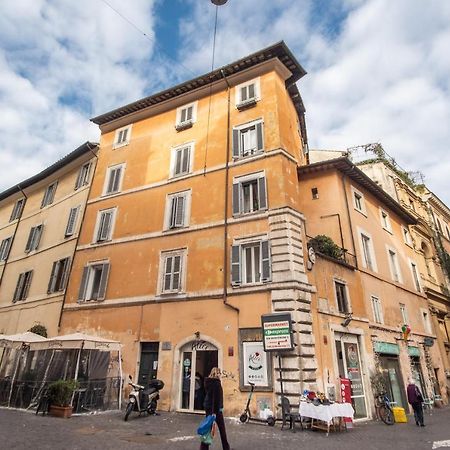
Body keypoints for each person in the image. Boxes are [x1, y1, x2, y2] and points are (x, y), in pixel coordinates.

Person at [200, 367, 231, 450]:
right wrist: (214, 412)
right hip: (216, 410)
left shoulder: (208, 382)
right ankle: (226, 447)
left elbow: (209, 396)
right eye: (219, 373)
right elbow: (215, 398)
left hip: (209, 407)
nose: (220, 374)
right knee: (222, 430)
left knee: (208, 428)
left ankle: (203, 448)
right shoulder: (216, 383)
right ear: (217, 373)